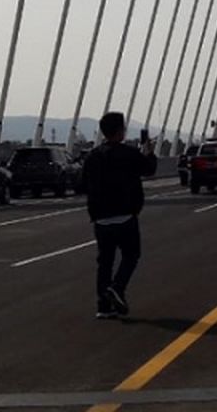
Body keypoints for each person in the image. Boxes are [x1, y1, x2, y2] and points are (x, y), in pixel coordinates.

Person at [82, 112, 158, 319]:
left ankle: (103, 306)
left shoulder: (93, 156)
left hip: (100, 218)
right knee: (131, 255)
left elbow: (80, 185)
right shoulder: (129, 154)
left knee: (105, 262)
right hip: (125, 216)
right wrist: (149, 152)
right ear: (120, 131)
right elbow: (149, 169)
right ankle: (117, 287)